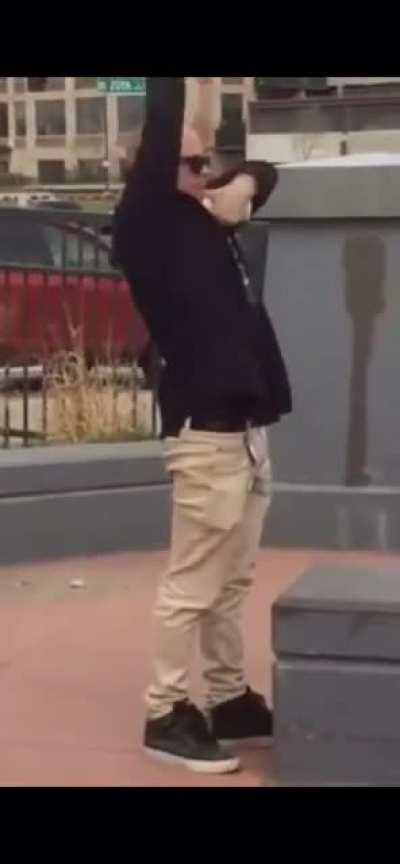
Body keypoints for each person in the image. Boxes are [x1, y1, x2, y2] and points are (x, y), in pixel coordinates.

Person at [112, 77, 292, 775]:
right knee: (192, 584)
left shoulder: (207, 218)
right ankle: (165, 712)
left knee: (233, 579)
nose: (205, 173)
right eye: (194, 166)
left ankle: (227, 698)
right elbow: (166, 115)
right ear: (158, 172)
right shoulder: (147, 223)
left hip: (245, 431)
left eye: (207, 164)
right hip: (206, 433)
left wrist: (241, 181)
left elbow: (266, 172)